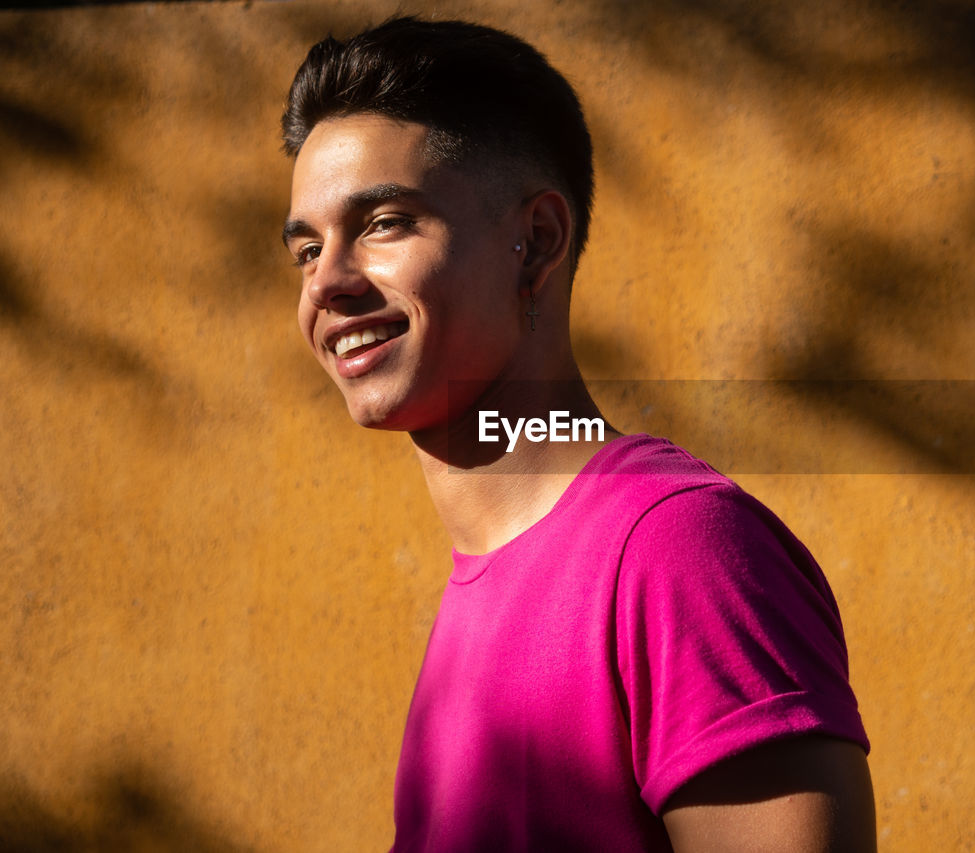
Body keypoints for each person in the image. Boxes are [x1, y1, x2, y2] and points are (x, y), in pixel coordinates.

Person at [280, 17, 875, 852]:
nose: (328, 283)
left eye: (384, 223)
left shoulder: (676, 551)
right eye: (306, 249)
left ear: (538, 245)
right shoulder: (484, 579)